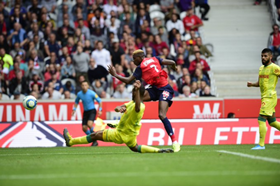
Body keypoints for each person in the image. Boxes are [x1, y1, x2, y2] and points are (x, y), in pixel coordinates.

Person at [63, 80, 173, 153]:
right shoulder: (132, 102)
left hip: (121, 134)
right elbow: (119, 107)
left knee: (95, 135)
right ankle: (158, 151)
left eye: (134, 91)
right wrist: (118, 108)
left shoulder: (140, 106)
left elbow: (138, 107)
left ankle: (71, 142)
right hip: (130, 135)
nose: (132, 93)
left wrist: (138, 90)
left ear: (139, 94)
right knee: (135, 147)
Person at [108, 49, 181, 152]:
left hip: (164, 89)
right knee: (136, 99)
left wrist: (115, 75)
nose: (133, 62)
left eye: (134, 59)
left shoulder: (140, 67)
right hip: (155, 88)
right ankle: (120, 123)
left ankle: (174, 141)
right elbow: (172, 62)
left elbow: (128, 80)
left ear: (140, 58)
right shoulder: (155, 59)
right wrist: (174, 67)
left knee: (161, 114)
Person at [247, 48, 280, 150]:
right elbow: (260, 83)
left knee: (261, 119)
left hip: (270, 97)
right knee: (272, 122)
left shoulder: (274, 67)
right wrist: (252, 84)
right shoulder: (261, 68)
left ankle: (261, 145)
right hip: (264, 97)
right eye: (262, 56)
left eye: (265, 56)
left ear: (271, 57)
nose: (263, 58)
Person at [72, 80, 102, 146]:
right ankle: (93, 140)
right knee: (84, 128)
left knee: (89, 124)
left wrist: (100, 110)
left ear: (88, 86)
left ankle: (95, 138)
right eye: (83, 85)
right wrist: (74, 109)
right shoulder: (79, 94)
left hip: (92, 111)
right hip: (85, 112)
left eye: (85, 85)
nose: (84, 87)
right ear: (81, 86)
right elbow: (76, 102)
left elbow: (99, 101)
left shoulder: (92, 93)